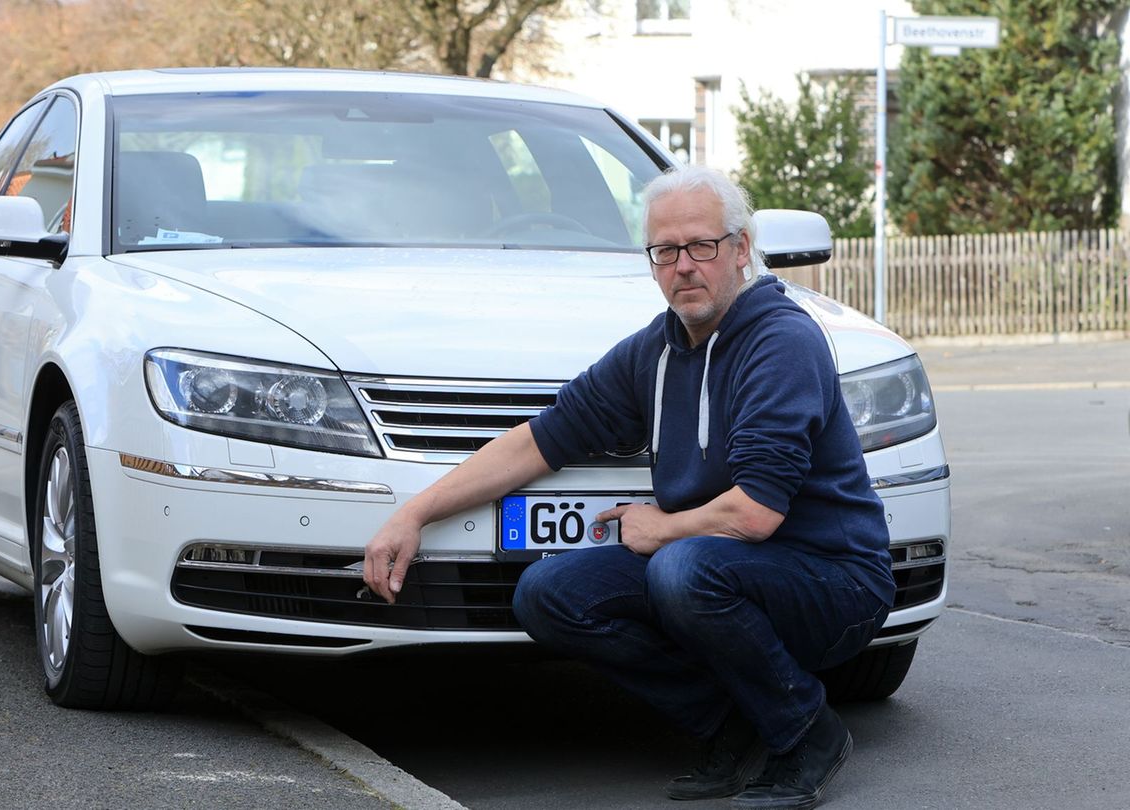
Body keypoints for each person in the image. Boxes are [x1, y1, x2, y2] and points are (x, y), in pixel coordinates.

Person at [361, 166, 894, 810]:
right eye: (665, 252)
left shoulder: (781, 340)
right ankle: (736, 724)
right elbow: (540, 440)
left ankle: (807, 731)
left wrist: (658, 527)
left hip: (833, 581)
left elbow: (755, 513)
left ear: (741, 249)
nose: (683, 267)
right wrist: (413, 513)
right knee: (550, 594)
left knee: (681, 568)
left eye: (701, 246)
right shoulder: (658, 349)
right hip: (724, 569)